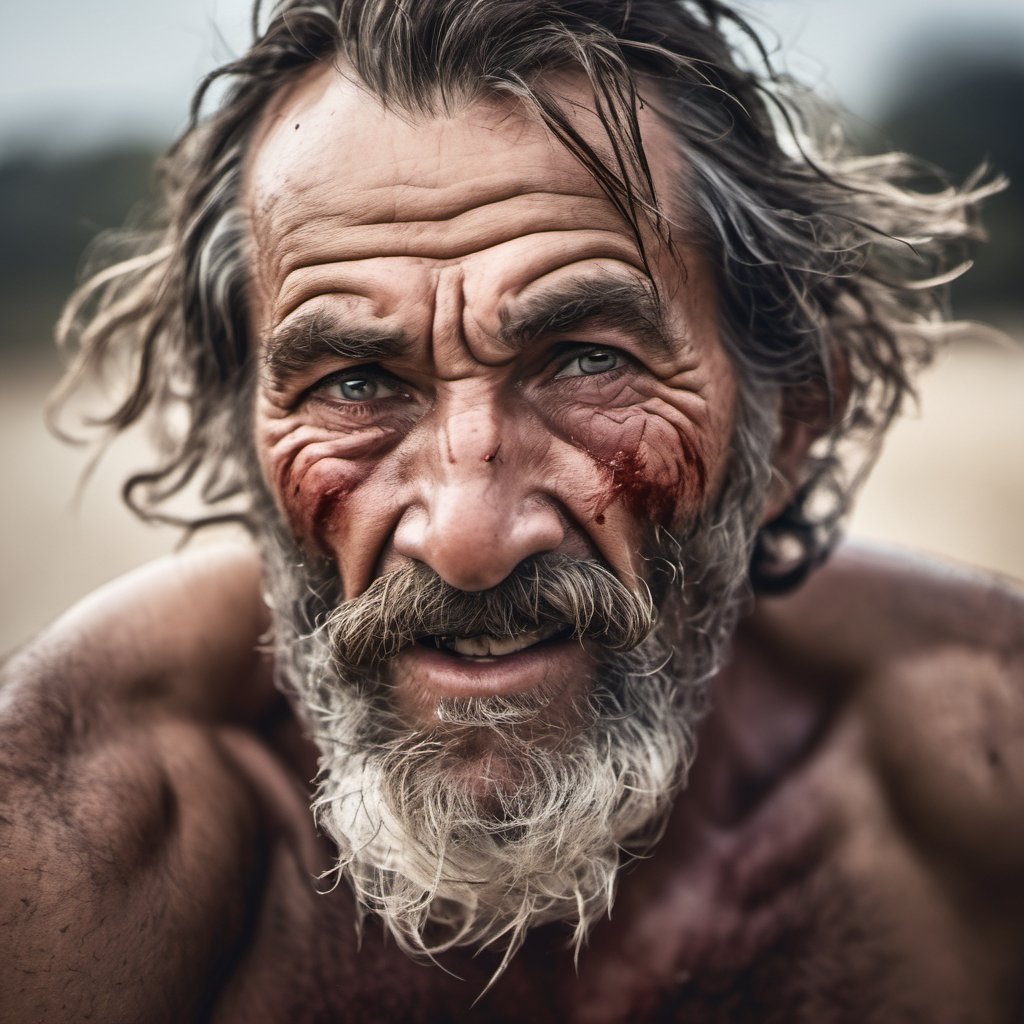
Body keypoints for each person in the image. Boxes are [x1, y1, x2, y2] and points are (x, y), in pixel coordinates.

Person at [2, 0, 1022, 1020]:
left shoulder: (978, 771)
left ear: (789, 422)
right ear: (246, 441)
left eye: (587, 362)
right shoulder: (69, 842)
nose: (467, 539)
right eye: (356, 382)